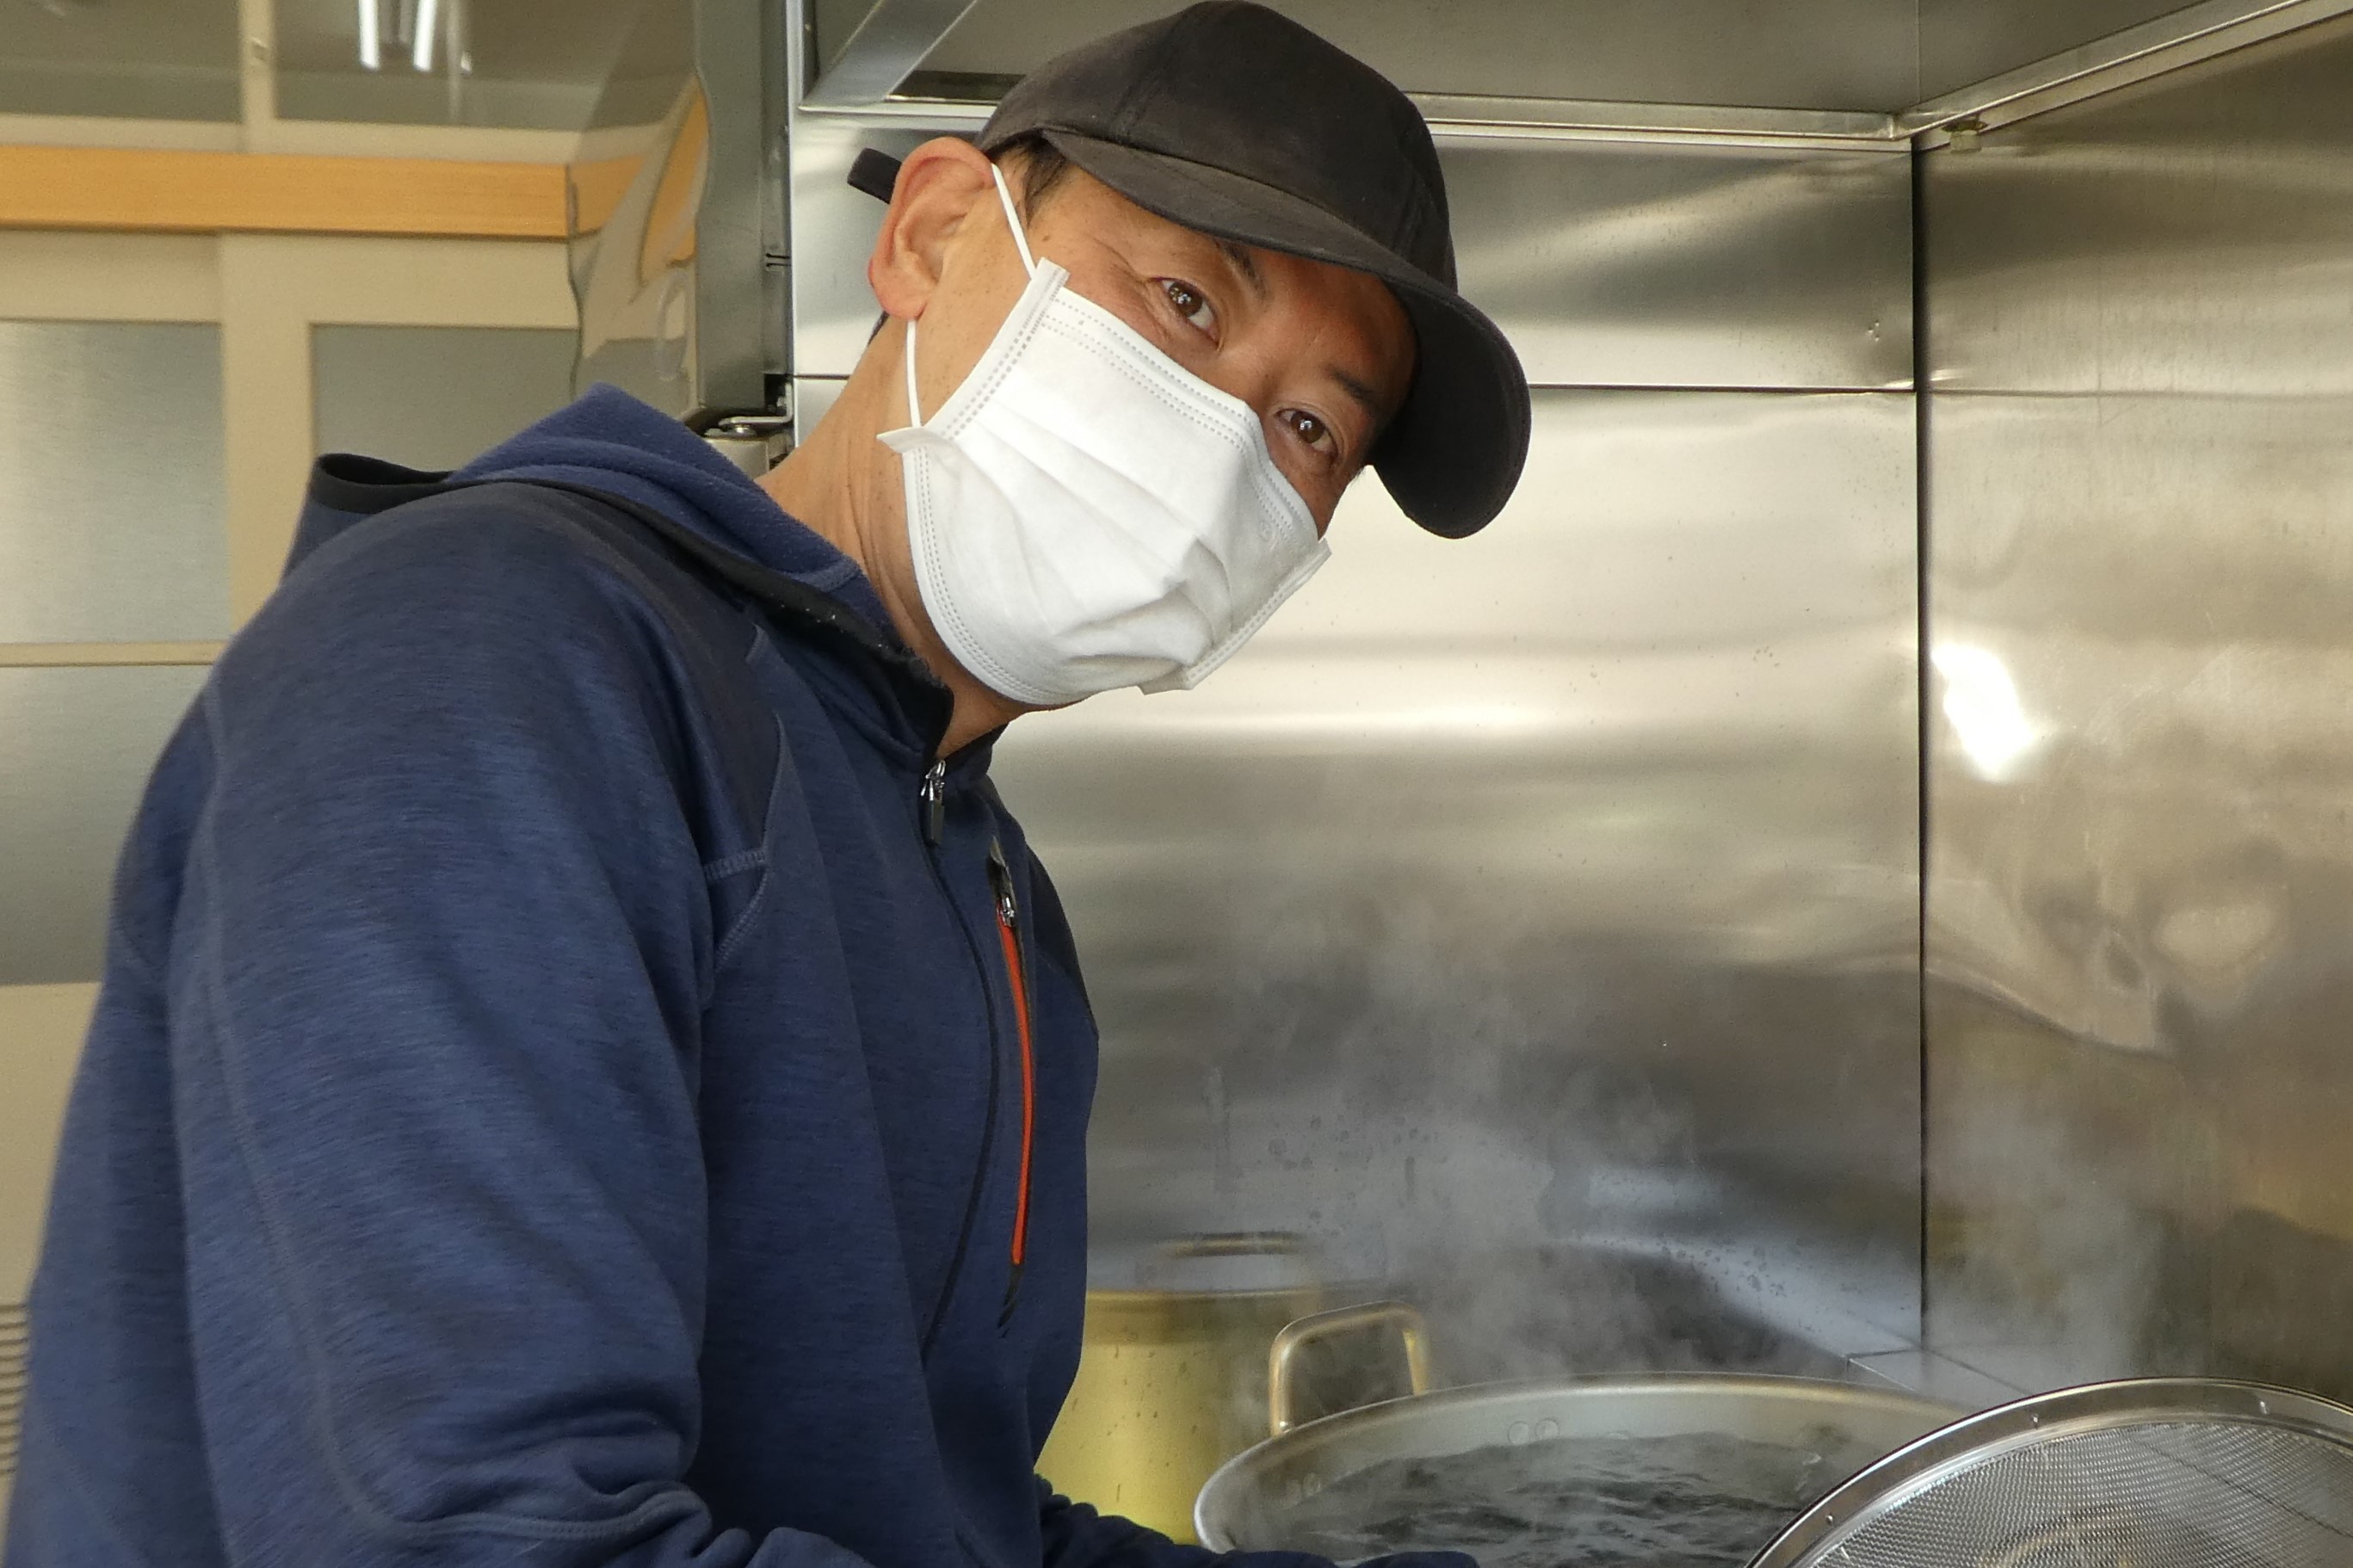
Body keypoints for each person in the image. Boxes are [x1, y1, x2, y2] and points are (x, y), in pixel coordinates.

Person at [5, 4, 1529, 1565]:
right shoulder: (487, 656)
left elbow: (953, 1522)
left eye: (1305, 425)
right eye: (1185, 300)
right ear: (933, 234)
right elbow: (485, 1532)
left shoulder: (979, 870)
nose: (1218, 451)